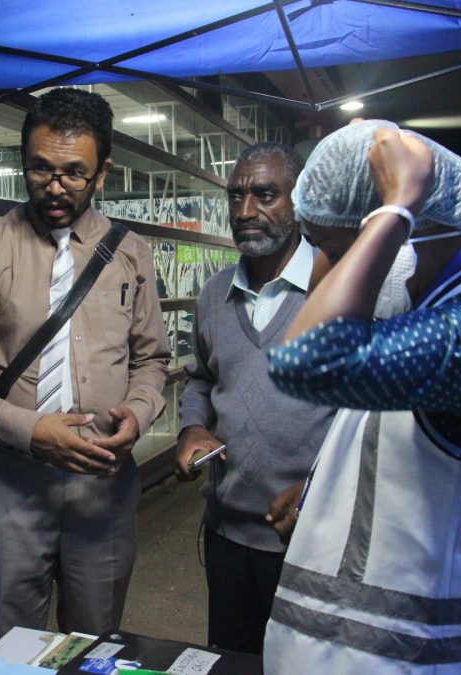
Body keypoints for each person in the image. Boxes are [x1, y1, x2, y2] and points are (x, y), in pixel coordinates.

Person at [261, 121, 461, 673]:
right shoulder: (424, 311)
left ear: (404, 237)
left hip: (423, 659)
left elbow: (304, 359)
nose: (319, 284)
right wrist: (322, 502)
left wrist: (395, 203)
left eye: (332, 253)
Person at [0, 87, 170, 648]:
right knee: (13, 650)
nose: (54, 187)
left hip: (103, 485)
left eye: (73, 173)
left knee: (96, 644)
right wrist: (29, 431)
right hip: (9, 485)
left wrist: (137, 413)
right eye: (40, 169)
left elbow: (151, 358)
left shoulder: (131, 253)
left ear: (103, 171)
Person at [174, 142, 336, 654]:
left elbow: (373, 416)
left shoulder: (340, 288)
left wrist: (322, 490)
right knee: (234, 662)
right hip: (227, 536)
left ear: (299, 201)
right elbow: (200, 379)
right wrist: (192, 427)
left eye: (266, 194)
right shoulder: (214, 294)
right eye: (237, 195)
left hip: (311, 538)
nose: (246, 212)